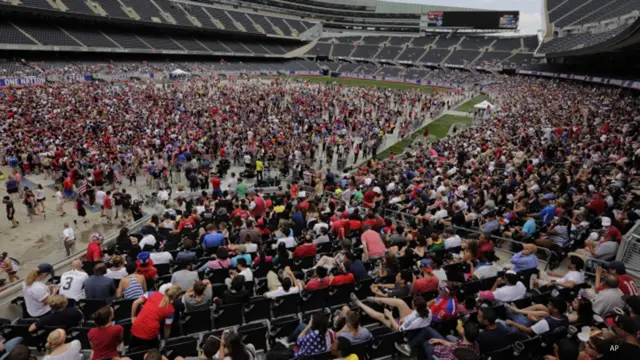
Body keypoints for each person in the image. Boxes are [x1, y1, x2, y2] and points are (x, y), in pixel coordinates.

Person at [130, 284, 181, 349]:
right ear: (176, 298)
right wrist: (166, 342)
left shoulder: (152, 293)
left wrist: (133, 316)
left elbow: (135, 302)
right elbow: (167, 329)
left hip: (136, 328)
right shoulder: (171, 310)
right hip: (151, 335)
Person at [351, 293, 432, 331]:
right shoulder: (428, 311)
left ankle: (359, 303)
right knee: (400, 302)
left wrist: (390, 316)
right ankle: (378, 300)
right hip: (410, 324)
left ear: (415, 307)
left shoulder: (412, 320)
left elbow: (399, 330)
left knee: (380, 316)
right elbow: (413, 316)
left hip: (401, 330)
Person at [501, 296, 568, 335]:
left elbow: (527, 330)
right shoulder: (565, 318)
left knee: (504, 316)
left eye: (550, 305)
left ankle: (516, 312)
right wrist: (536, 320)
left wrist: (512, 323)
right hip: (537, 326)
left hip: (526, 333)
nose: (547, 305)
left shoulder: (545, 322)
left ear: (556, 310)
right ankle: (517, 311)